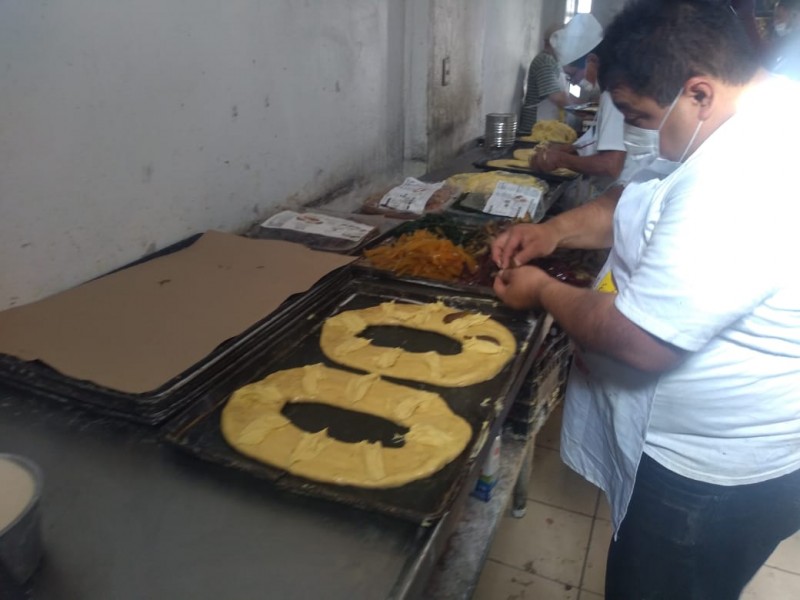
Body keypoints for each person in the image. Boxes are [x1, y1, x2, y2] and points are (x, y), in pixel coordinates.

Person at [491, 1, 800, 598]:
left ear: (699, 93)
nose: (635, 130)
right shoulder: (747, 113)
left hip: (708, 484)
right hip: (715, 462)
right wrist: (554, 231)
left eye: (638, 115)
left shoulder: (747, 174)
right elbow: (640, 192)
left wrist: (544, 290)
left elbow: (642, 338)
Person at [530, 14, 626, 204]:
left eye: (573, 74)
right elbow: (599, 141)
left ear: (592, 60)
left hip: (623, 196)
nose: (573, 81)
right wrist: (567, 149)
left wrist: (560, 160)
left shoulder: (615, 94)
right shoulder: (612, 88)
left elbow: (610, 165)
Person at [519, 24, 571, 136]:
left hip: (546, 127)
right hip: (535, 129)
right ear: (554, 41)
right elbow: (556, 97)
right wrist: (583, 108)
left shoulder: (554, 62)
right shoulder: (544, 61)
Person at [766, 0, 800, 78]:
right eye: (774, 17)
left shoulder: (790, 42)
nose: (775, 22)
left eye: (778, 17)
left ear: (795, 15)